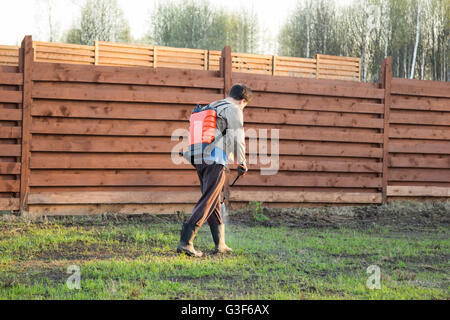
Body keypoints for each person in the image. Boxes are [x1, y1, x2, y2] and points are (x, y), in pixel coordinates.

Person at [177, 84, 252, 257]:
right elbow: (238, 137)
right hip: (215, 159)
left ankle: (220, 244)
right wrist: (242, 162)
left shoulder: (212, 106)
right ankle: (186, 241)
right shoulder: (234, 109)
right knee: (209, 199)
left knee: (214, 201)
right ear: (242, 101)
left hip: (199, 158)